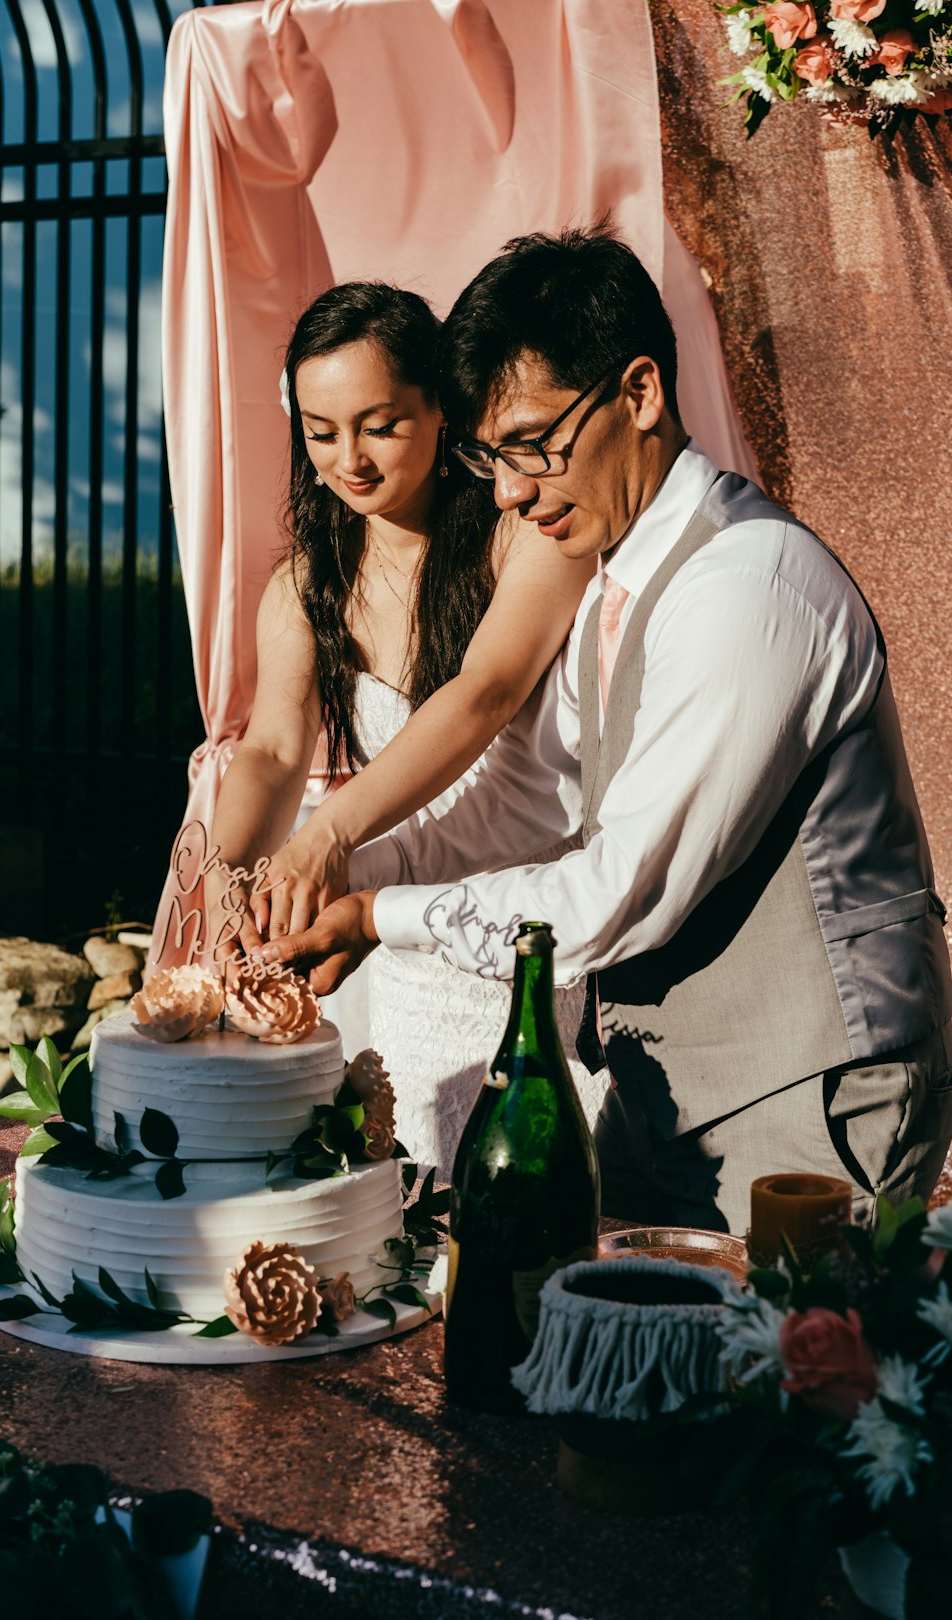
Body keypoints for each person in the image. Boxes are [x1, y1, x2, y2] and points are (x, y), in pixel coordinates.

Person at [267, 226, 952, 1235]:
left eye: (532, 442)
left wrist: (380, 918)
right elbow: (532, 801)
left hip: (813, 1097)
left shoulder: (745, 586)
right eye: (487, 454)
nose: (507, 491)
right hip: (667, 1093)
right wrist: (356, 878)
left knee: (768, 1387)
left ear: (639, 393)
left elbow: (605, 900)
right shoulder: (619, 577)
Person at [209, 279, 606, 1170]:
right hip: (399, 936)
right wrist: (217, 876)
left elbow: (485, 693)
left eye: (379, 424)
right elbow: (272, 749)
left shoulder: (525, 529)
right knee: (422, 1196)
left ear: (439, 410)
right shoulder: (306, 581)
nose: (348, 458)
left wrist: (332, 834)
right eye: (321, 432)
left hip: (531, 920)